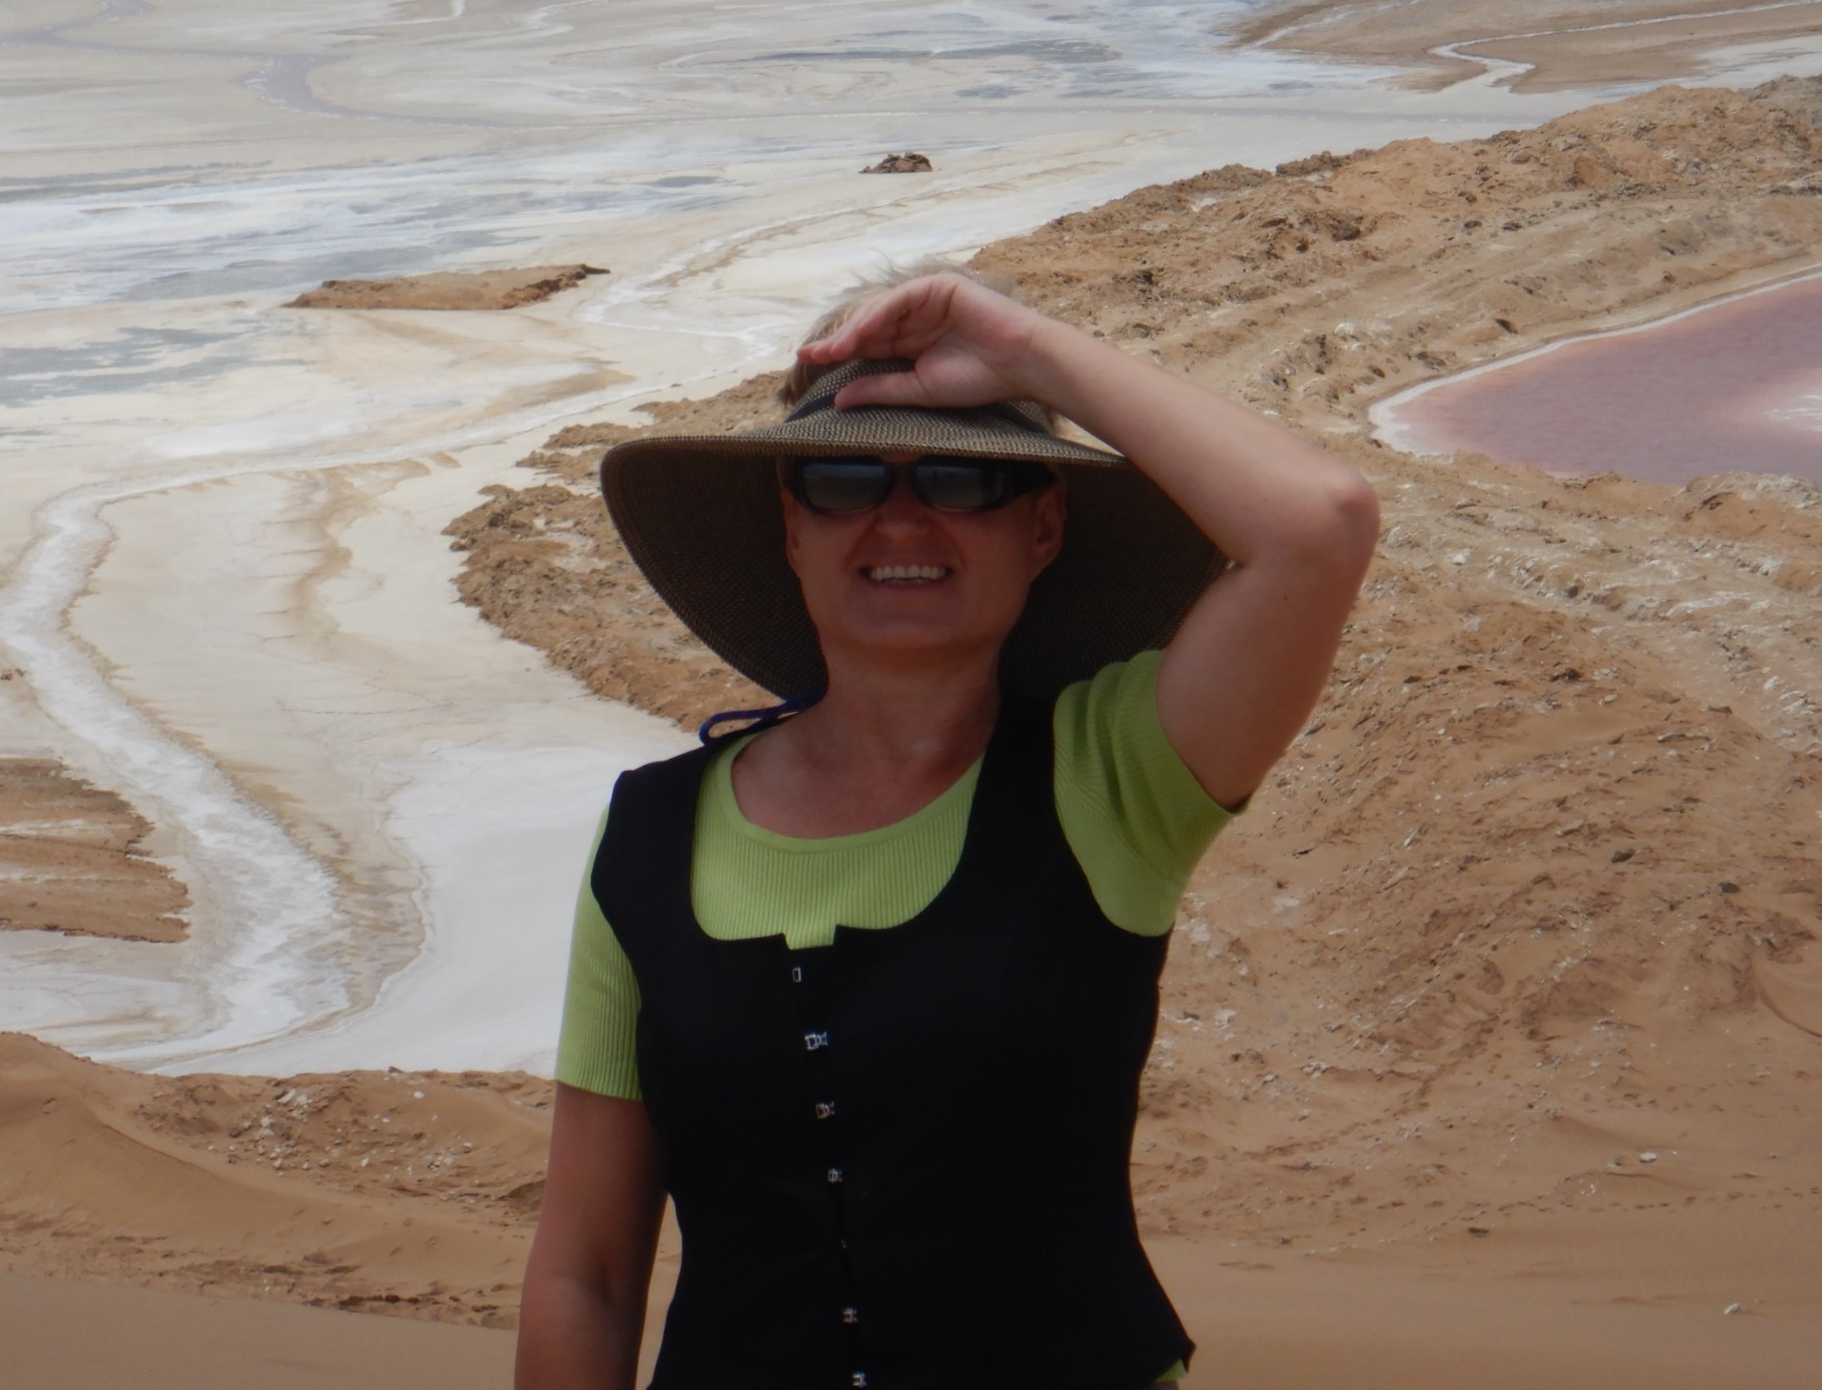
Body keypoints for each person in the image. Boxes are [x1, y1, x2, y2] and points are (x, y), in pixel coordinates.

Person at [516, 269, 1380, 1390]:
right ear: (791, 527)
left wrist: (1024, 349)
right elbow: (585, 1268)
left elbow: (1319, 524)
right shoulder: (648, 836)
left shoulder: (1115, 774)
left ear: (1043, 524)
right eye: (842, 475)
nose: (901, 518)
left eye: (964, 475)